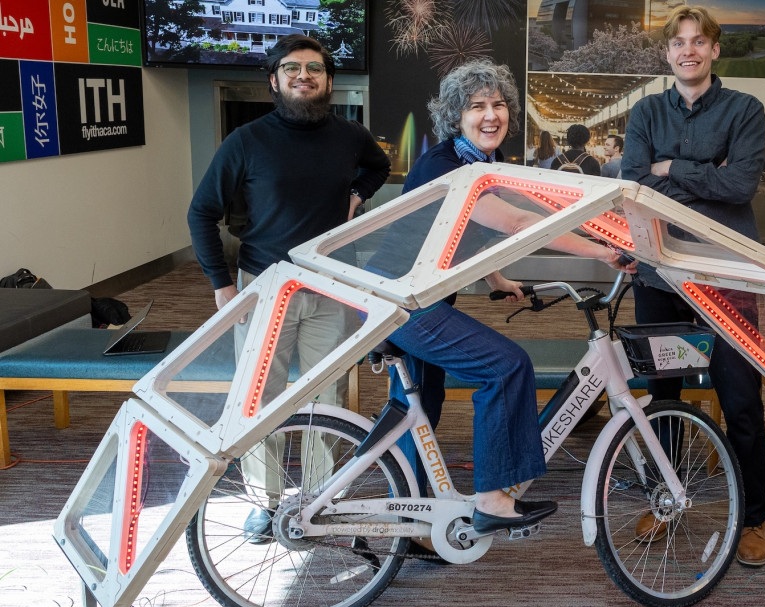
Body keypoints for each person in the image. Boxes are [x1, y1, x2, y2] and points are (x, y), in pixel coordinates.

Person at [370, 59, 635, 539]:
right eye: (476, 107)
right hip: (404, 302)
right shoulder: (445, 167)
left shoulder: (475, 162)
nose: (490, 115)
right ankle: (493, 499)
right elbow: (513, 222)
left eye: (497, 105)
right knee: (506, 366)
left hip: (408, 296)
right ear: (457, 116)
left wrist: (495, 277)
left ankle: (408, 519)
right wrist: (601, 248)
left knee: (420, 409)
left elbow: (461, 229)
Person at [187, 34, 391, 543]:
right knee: (262, 398)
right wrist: (221, 288)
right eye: (293, 68)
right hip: (264, 286)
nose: (304, 75)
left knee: (328, 396)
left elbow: (378, 167)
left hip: (330, 285)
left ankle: (323, 495)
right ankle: (266, 500)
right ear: (274, 80)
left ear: (328, 81)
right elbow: (201, 213)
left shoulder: (350, 136)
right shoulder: (247, 141)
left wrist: (357, 196)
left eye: (315, 69)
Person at [621, 5, 765, 567]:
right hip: (659, 272)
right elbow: (634, 183)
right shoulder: (645, 112)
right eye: (678, 43)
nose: (688, 51)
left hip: (725, 276)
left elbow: (739, 185)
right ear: (668, 54)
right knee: (664, 396)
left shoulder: (744, 109)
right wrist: (691, 176)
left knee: (741, 401)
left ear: (713, 50)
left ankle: (754, 519)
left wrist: (670, 170)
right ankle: (664, 504)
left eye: (698, 42)